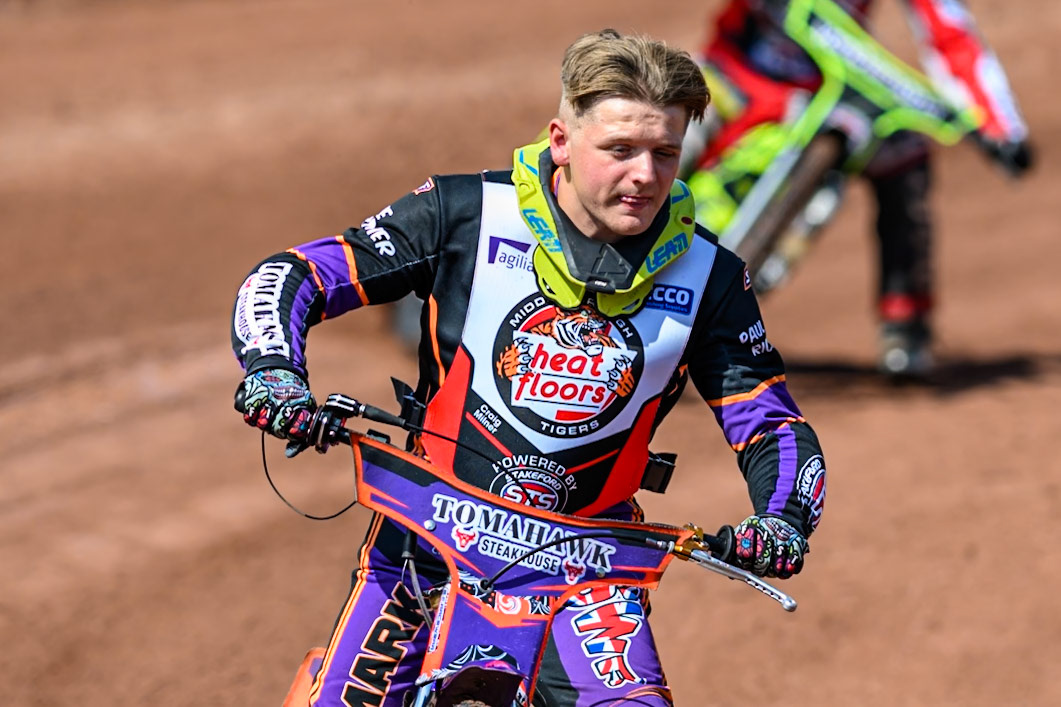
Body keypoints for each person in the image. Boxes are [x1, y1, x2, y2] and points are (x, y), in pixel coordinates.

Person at [231, 29, 826, 706]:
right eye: (619, 150)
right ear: (561, 141)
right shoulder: (465, 214)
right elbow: (297, 274)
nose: (644, 175)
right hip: (426, 541)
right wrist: (274, 372)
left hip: (589, 567)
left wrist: (782, 518)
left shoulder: (709, 275)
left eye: (666, 152)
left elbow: (770, 421)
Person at [680, 0, 1033, 379]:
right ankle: (613, 267)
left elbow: (949, 30)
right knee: (660, 129)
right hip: (737, 71)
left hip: (829, 87)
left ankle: (905, 327)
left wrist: (999, 127)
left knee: (904, 150)